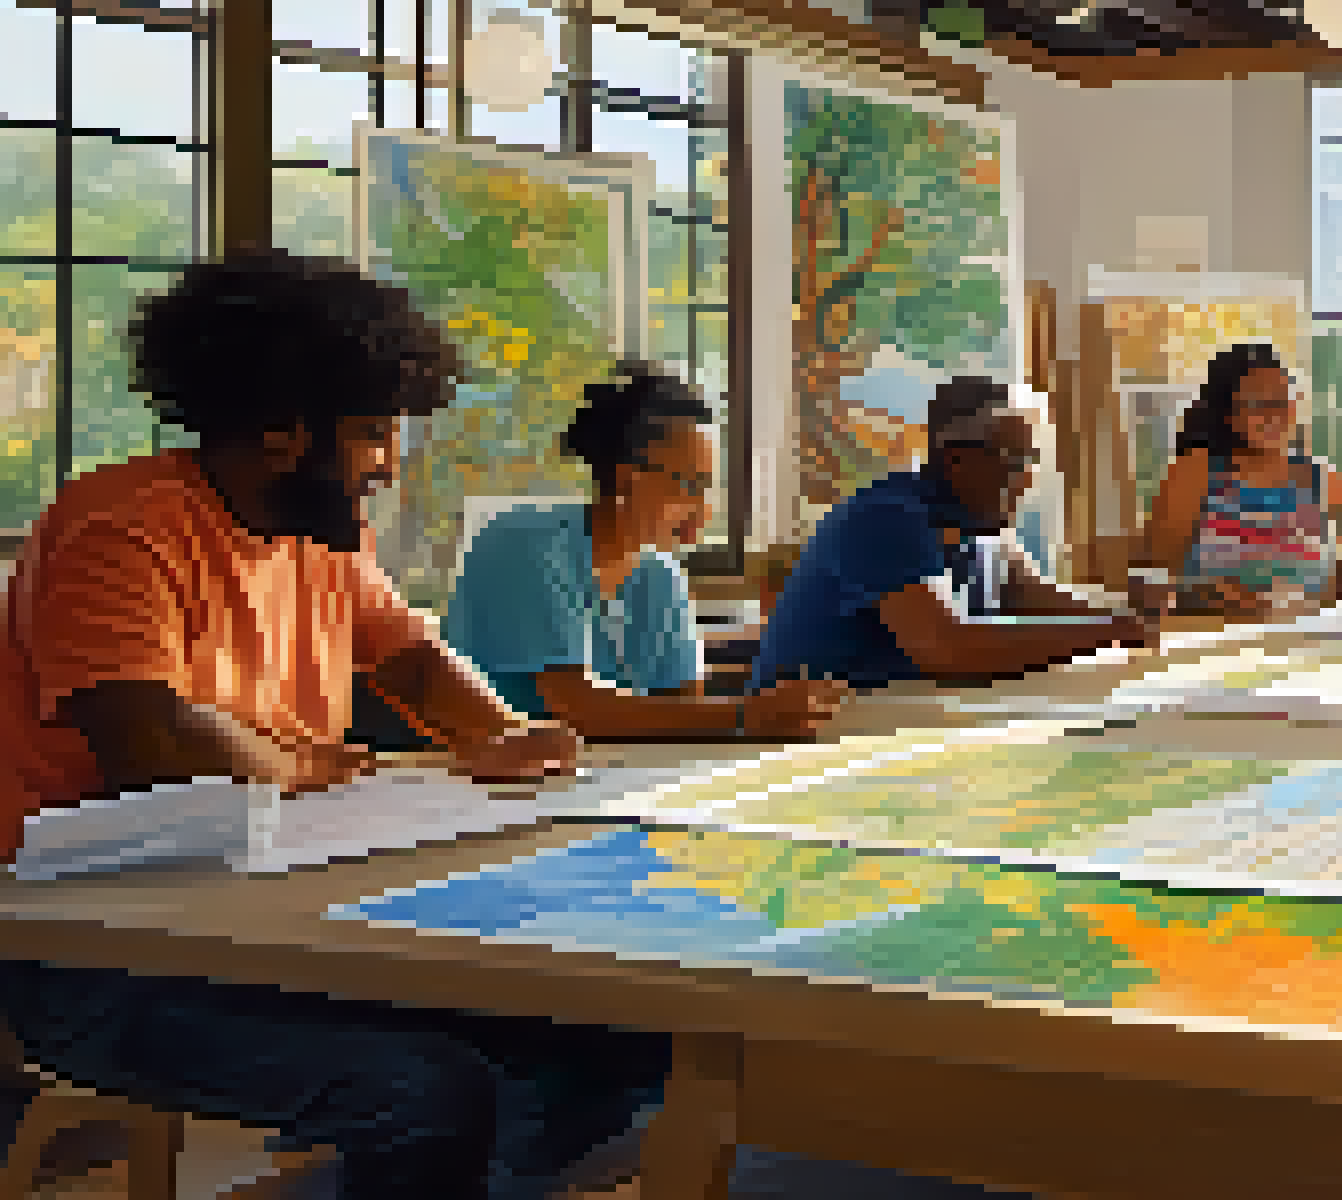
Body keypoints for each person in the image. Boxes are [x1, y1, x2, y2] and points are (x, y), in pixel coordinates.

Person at [0, 249, 668, 1200]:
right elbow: (154, 747)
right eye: (373, 435)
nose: (391, 466)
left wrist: (494, 735)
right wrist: (298, 762)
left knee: (614, 1027)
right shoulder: (121, 527)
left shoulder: (318, 539)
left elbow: (408, 656)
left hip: (266, 923)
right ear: (283, 432)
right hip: (101, 954)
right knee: (423, 1095)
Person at [439, 361, 846, 740]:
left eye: (709, 488)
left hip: (597, 779)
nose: (704, 508)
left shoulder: (659, 572)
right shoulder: (527, 545)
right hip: (473, 778)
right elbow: (576, 710)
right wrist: (746, 715)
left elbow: (684, 707)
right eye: (688, 485)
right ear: (625, 479)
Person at [748, 376, 1155, 691]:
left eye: (1032, 461)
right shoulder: (887, 518)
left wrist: (1123, 614)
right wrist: (1107, 631)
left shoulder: (980, 525)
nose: (1027, 479)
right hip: (795, 745)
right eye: (1014, 461)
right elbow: (949, 647)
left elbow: (1031, 595)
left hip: (887, 725)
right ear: (956, 459)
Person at [1136, 343, 1342, 620]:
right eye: (1257, 402)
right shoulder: (1194, 472)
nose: (1273, 413)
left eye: (1281, 400)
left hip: (1304, 647)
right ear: (1228, 412)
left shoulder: (1325, 480)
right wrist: (1200, 595)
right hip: (1210, 648)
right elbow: (1149, 582)